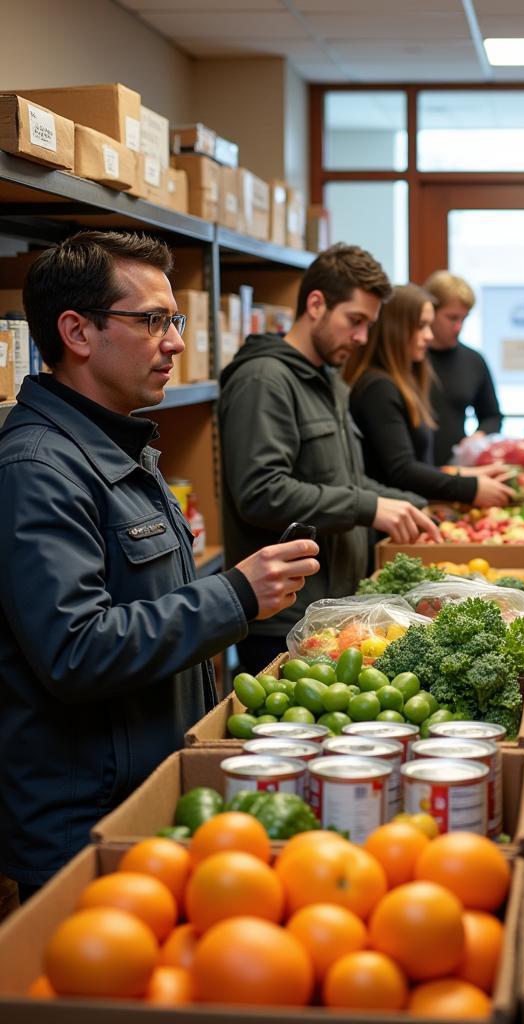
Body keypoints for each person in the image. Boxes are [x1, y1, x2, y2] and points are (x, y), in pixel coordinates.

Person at [0, 231, 319, 897]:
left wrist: (236, 589)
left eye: (173, 320)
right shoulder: (37, 469)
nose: (175, 341)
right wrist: (233, 595)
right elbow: (76, 649)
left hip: (146, 794)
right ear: (77, 332)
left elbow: (142, 599)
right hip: (84, 826)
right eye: (152, 321)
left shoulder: (121, 446)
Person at [218, 245, 440, 675]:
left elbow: (346, 479)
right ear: (316, 304)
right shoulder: (264, 380)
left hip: (333, 611)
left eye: (368, 325)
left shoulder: (329, 382)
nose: (361, 338)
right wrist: (369, 508)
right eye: (354, 321)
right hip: (283, 620)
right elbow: (261, 493)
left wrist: (412, 505)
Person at [345, 283, 515, 507]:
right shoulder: (378, 388)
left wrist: (469, 474)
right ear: (395, 328)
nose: (428, 335)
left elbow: (417, 465)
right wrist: (470, 487)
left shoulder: (403, 379)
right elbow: (401, 471)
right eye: (422, 325)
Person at [423, 270, 502, 465]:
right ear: (430, 312)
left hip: (454, 470)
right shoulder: (410, 358)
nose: (458, 327)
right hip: (411, 470)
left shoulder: (473, 360)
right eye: (451, 318)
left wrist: (479, 436)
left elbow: (492, 416)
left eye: (463, 319)